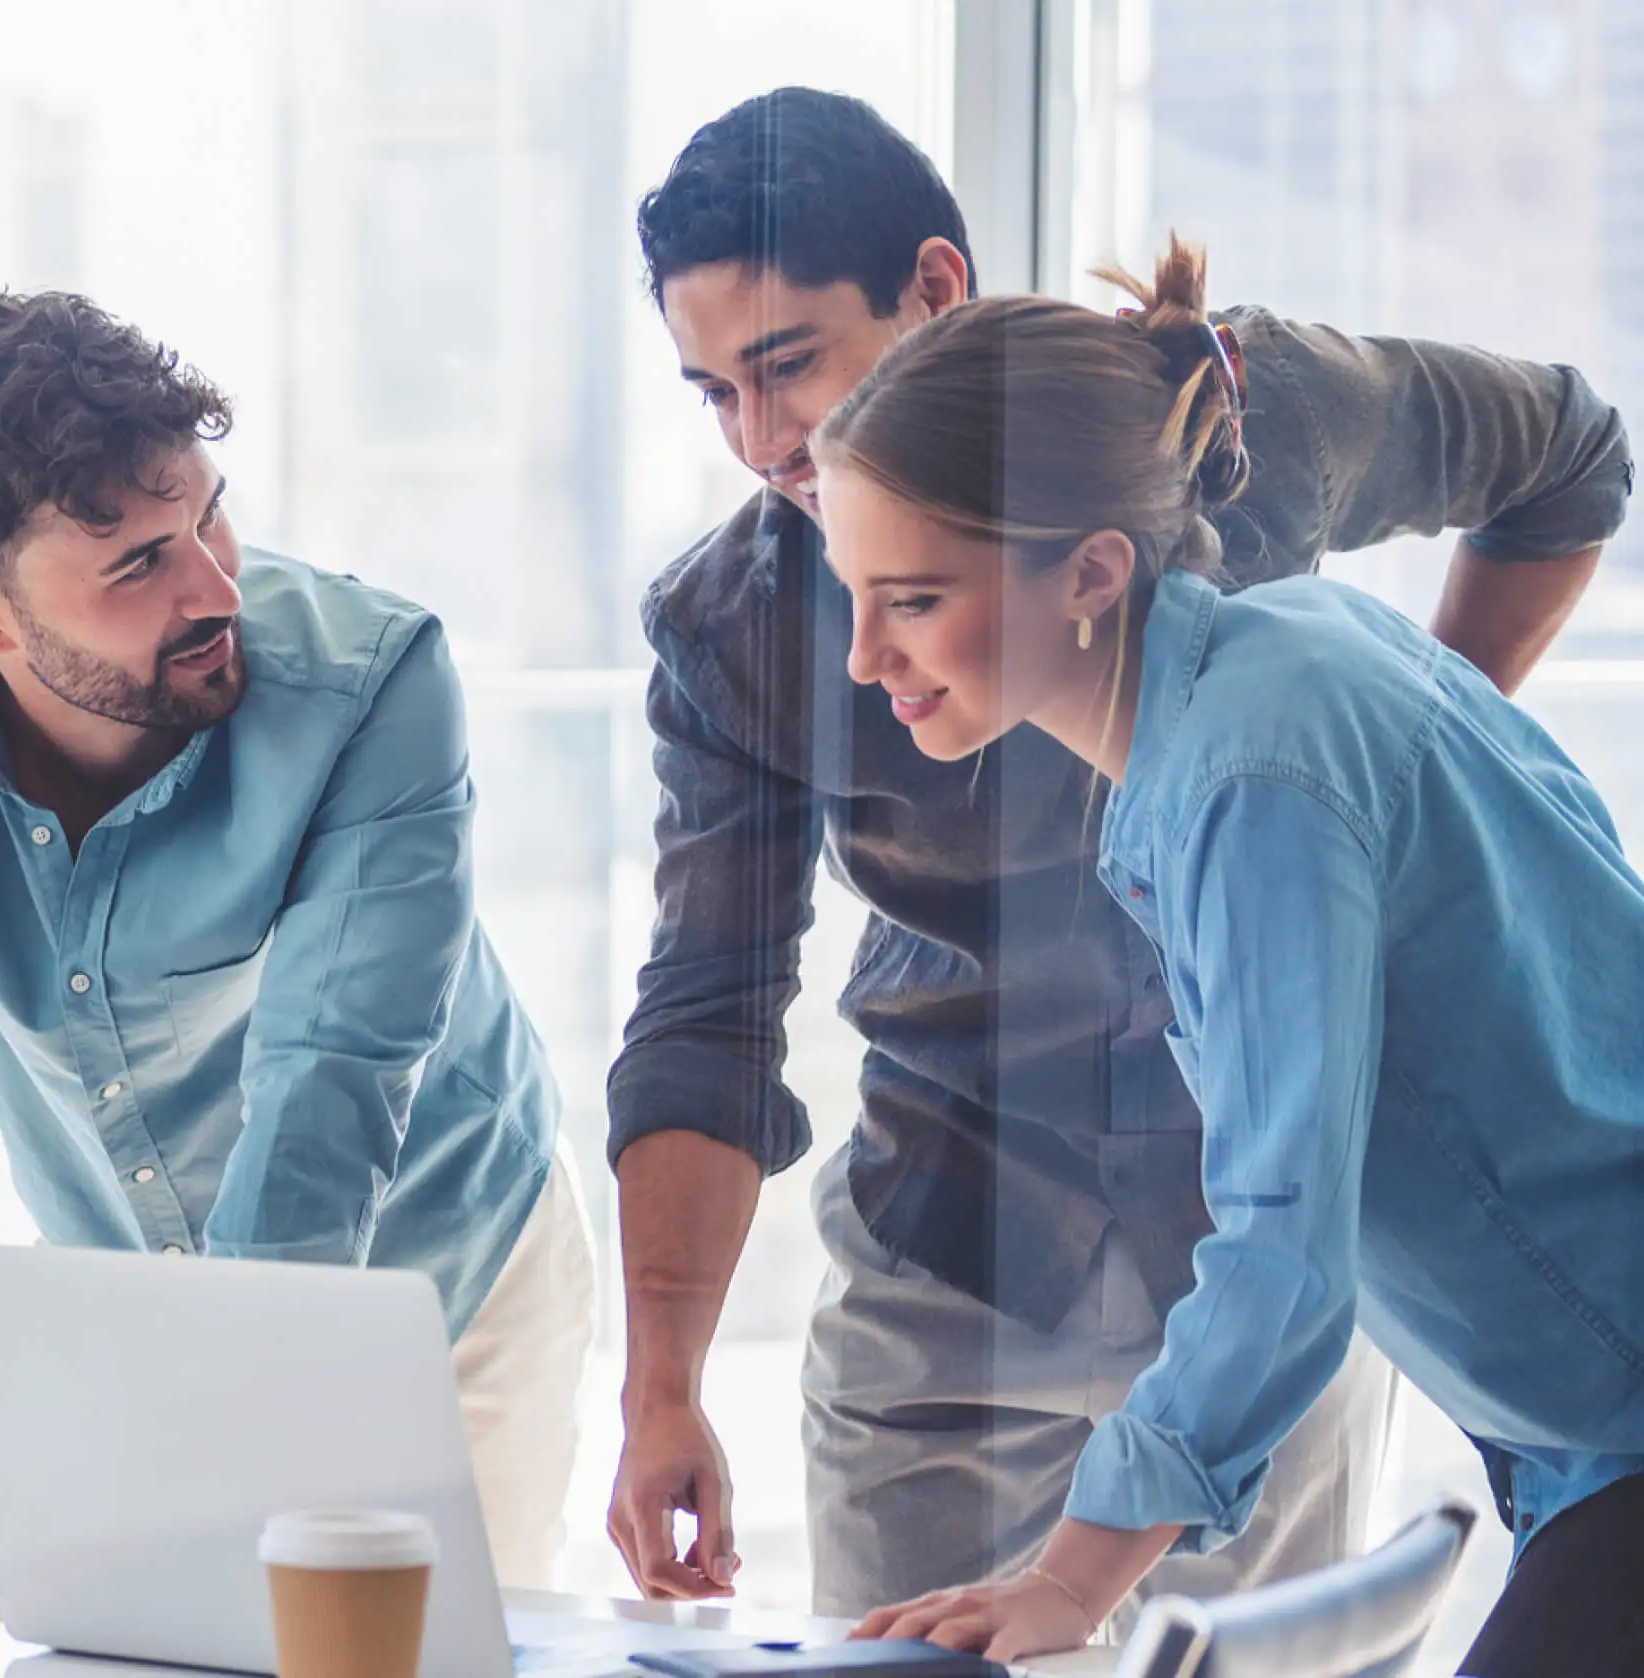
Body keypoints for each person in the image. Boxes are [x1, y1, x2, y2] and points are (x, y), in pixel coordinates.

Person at [605, 87, 1628, 1624]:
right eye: (712, 396)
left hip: (1516, 1366)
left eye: (786, 369)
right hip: (996, 1236)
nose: (765, 449)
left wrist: (1074, 1580)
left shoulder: (1261, 741)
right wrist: (663, 1380)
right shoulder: (1258, 689)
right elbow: (705, 1010)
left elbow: (1282, 1242)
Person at [814, 236, 1644, 1675]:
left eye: (914, 598)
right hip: (1586, 1432)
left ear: (1089, 571)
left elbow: (1280, 1245)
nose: (862, 657)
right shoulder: (1295, 657)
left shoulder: (1251, 774)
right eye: (854, 593)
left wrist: (1073, 1579)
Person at [0, 291, 596, 1582]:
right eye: (136, 563)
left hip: (436, 1273)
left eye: (206, 515)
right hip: (126, 1289)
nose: (215, 584)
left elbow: (330, 1074)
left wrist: (230, 1432)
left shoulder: (373, 680)